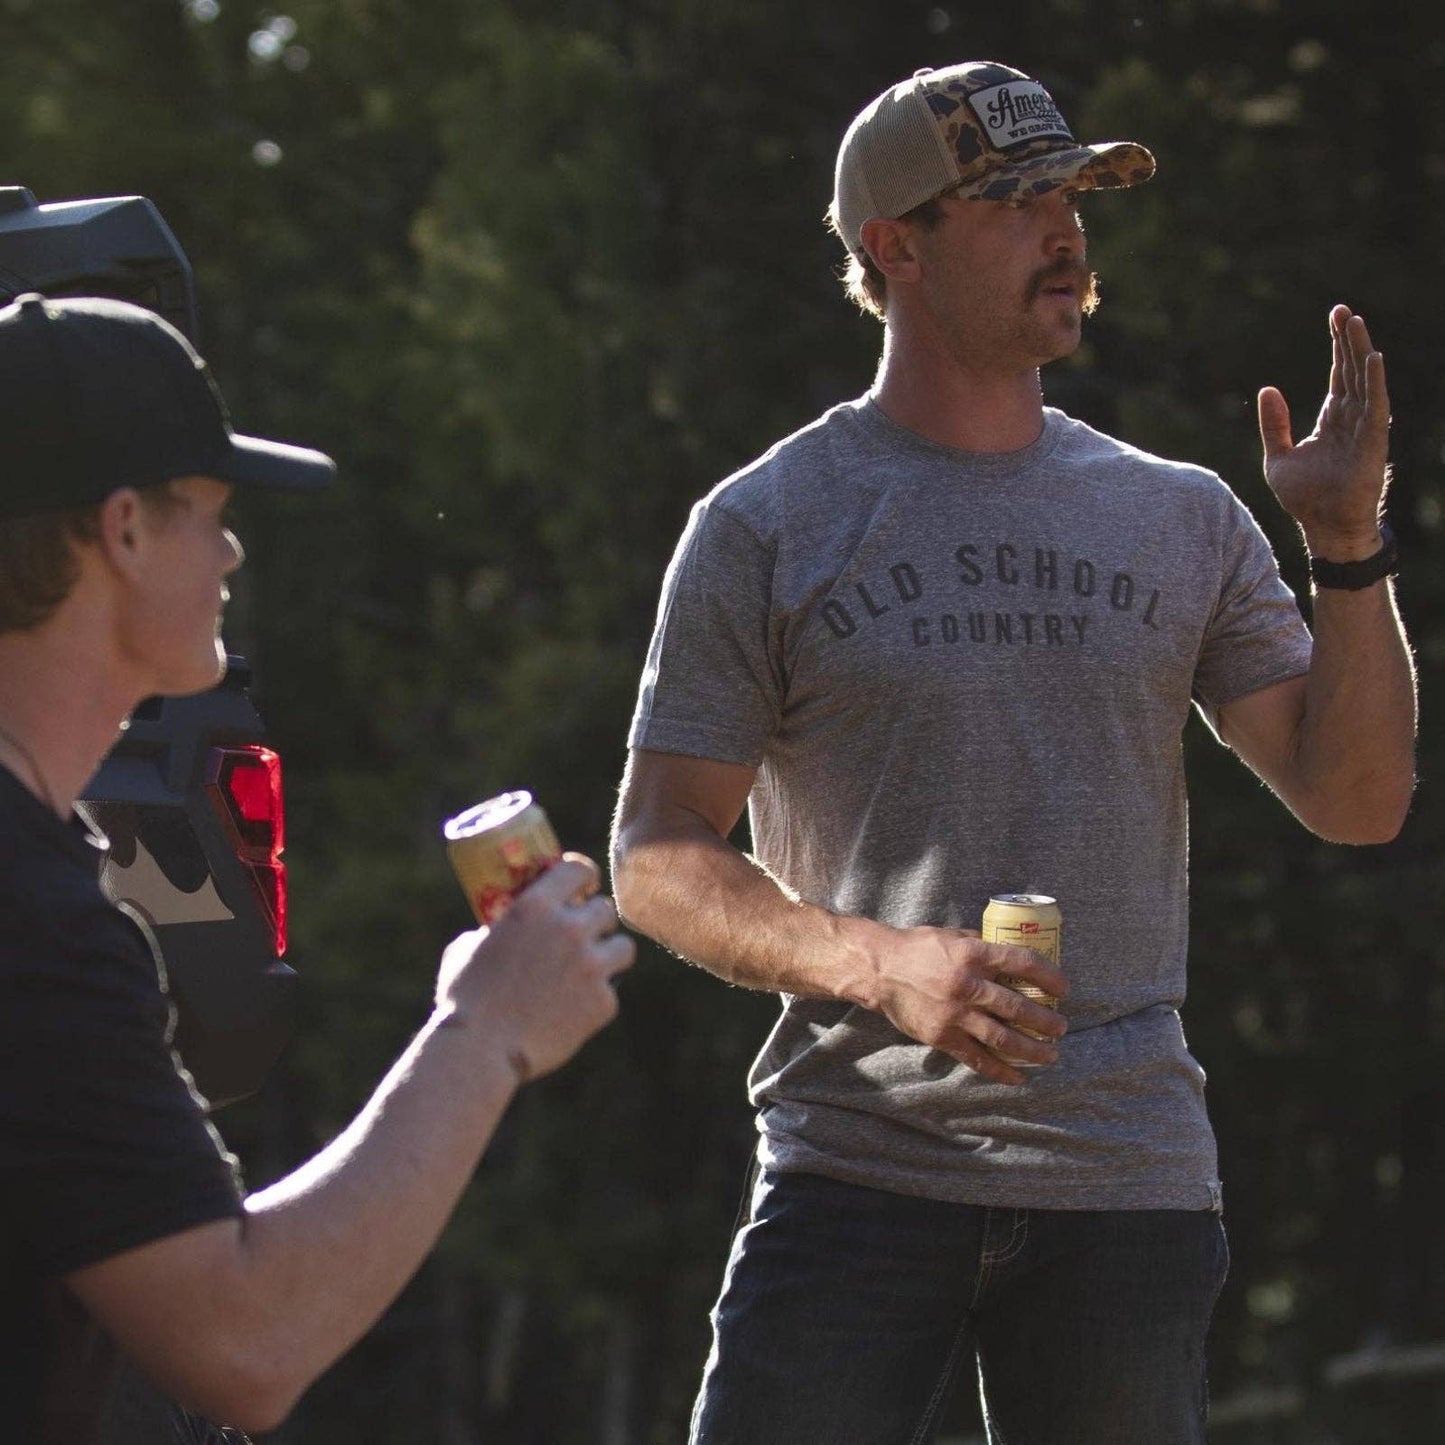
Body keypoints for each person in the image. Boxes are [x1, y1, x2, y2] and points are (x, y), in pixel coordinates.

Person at [610, 60, 1416, 1445]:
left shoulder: (1179, 516)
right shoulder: (766, 523)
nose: (1066, 231)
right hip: (854, 1170)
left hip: (1126, 1186)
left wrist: (1346, 547)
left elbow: (1357, 799)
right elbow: (655, 853)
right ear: (894, 248)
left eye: (1073, 197)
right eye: (1016, 202)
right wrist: (880, 963)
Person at [0, 293, 634, 1443]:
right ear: (124, 529)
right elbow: (242, 1339)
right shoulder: (34, 920)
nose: (231, 550)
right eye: (211, 511)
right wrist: (484, 1030)